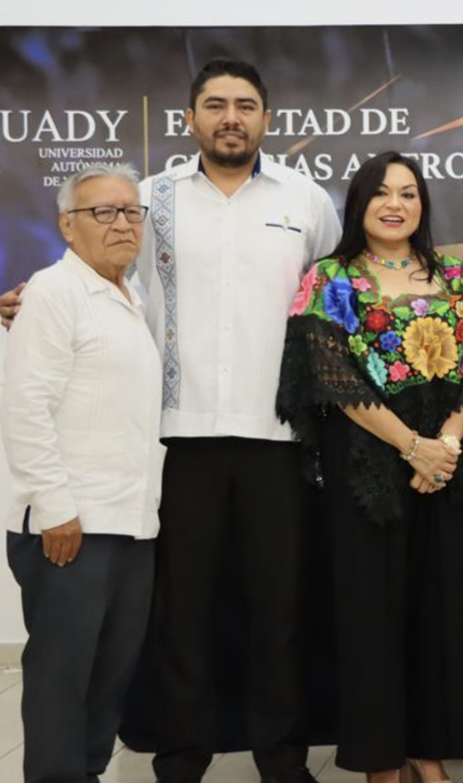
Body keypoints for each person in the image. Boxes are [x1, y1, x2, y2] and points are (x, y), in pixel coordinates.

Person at [0, 58, 343, 782]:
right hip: (174, 439)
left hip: (277, 438)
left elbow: (329, 300)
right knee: (179, 612)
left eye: (245, 105)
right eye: (214, 104)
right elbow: (99, 269)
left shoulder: (308, 203)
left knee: (277, 612)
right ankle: (181, 753)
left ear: (266, 119)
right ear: (189, 119)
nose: (230, 117)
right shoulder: (149, 200)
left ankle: (281, 756)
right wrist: (30, 293)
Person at [277, 151, 463, 782]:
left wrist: (444, 446)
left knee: (439, 607)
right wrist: (411, 446)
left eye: (409, 193)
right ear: (360, 204)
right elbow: (333, 377)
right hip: (366, 466)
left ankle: (429, 750)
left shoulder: (456, 276)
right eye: (382, 193)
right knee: (372, 614)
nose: (396, 204)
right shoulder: (329, 278)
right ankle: (379, 758)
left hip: (442, 470)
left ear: (422, 205)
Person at [2, 164, 162, 783]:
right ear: (68, 226)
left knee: (108, 677)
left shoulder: (131, 295)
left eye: (131, 212)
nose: (122, 223)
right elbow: (25, 408)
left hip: (131, 522)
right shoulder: (52, 291)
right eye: (103, 212)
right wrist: (55, 508)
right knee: (62, 683)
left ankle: (87, 773)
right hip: (70, 526)